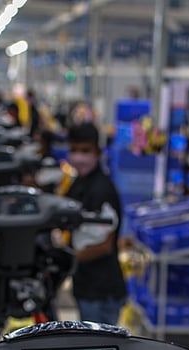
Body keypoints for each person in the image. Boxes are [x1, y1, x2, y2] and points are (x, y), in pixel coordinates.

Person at [64, 123, 125, 326]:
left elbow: (105, 245)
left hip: (102, 291)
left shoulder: (102, 190)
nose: (79, 157)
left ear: (98, 152)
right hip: (85, 285)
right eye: (74, 150)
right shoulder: (79, 183)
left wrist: (67, 260)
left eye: (85, 151)